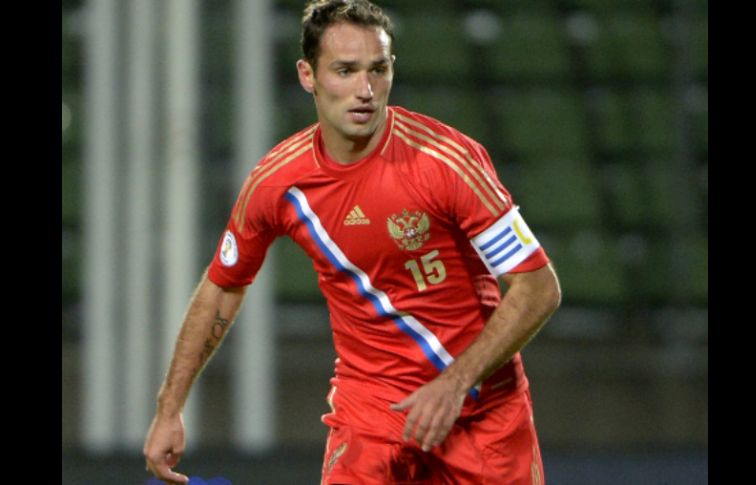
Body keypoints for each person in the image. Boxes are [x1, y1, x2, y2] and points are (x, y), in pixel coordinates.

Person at [144, 0, 562, 483]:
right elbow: (223, 286)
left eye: (377, 70)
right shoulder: (279, 183)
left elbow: (538, 287)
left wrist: (454, 382)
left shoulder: (446, 161)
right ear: (308, 75)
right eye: (345, 71)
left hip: (482, 413)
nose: (365, 90)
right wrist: (169, 407)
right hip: (370, 414)